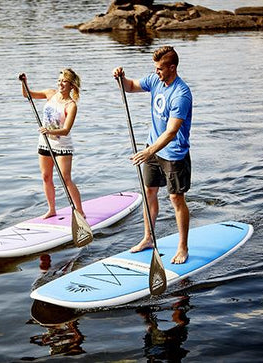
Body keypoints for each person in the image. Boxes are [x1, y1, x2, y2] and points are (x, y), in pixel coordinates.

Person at [113, 45, 192, 264]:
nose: (156, 72)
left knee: (176, 198)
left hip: (174, 153)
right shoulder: (155, 80)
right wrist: (122, 77)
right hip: (152, 149)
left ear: (172, 68)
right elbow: (130, 87)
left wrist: (148, 151)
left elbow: (171, 131)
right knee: (149, 192)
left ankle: (183, 247)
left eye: (160, 68)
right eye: (155, 68)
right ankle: (148, 238)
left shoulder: (181, 94)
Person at [20, 69, 85, 219]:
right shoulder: (50, 93)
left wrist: (48, 131)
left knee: (66, 178)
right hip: (44, 144)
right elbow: (27, 94)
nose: (60, 83)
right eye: (59, 80)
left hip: (62, 146)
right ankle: (51, 209)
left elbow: (66, 130)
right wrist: (24, 83)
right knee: (46, 176)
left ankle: (80, 211)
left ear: (71, 85)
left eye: (64, 81)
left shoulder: (71, 105)